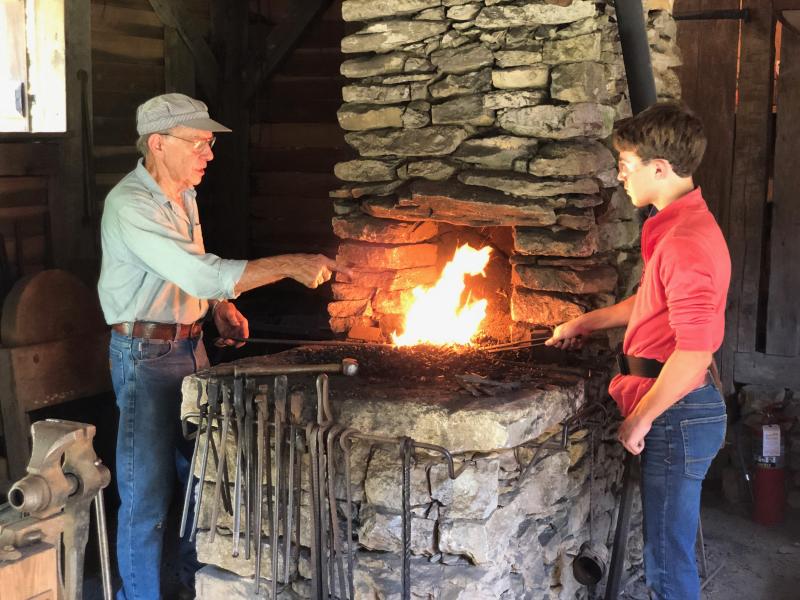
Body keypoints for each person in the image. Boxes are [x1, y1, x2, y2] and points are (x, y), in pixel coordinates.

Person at [97, 93, 344, 600]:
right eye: (200, 143)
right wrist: (288, 264)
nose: (208, 155)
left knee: (199, 483)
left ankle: (193, 588)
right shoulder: (130, 204)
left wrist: (216, 308)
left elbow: (190, 266)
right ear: (159, 143)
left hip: (191, 351)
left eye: (210, 144)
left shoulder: (184, 194)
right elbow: (197, 271)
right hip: (145, 359)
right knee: (146, 495)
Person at [546, 102, 731, 600]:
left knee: (668, 568)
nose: (620, 176)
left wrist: (642, 419)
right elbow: (651, 303)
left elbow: (693, 353)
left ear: (659, 168)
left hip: (677, 411)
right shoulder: (676, 227)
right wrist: (585, 321)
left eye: (625, 165)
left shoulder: (685, 242)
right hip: (681, 408)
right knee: (667, 555)